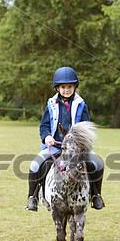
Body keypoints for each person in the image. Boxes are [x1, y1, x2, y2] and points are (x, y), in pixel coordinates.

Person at [25, 66, 105, 211]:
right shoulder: (51, 104)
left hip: (75, 148)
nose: (66, 90)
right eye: (63, 87)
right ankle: (32, 197)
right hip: (55, 145)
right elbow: (44, 125)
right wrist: (47, 136)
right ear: (57, 88)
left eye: (69, 86)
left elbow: (85, 128)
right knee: (35, 165)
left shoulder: (81, 105)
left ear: (75, 87)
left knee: (97, 163)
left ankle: (96, 195)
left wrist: (80, 143)